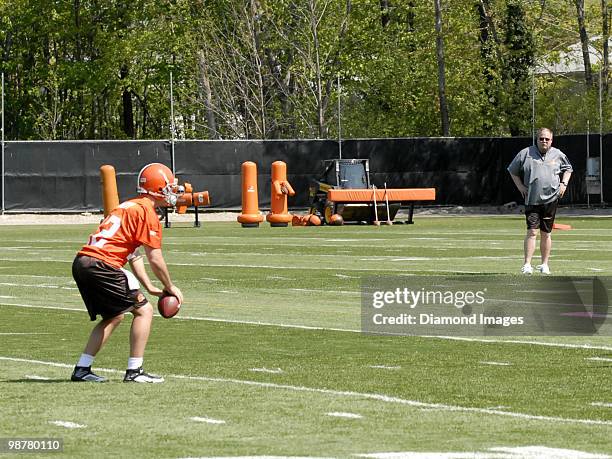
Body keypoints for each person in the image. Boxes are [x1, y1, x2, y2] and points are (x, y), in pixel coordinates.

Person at [71, 163, 184, 383]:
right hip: (103, 265)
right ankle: (135, 371)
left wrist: (150, 286)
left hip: (83, 262)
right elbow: (155, 258)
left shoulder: (128, 206)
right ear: (157, 188)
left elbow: (133, 254)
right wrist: (170, 286)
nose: (172, 192)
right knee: (144, 311)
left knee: (114, 315)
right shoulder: (146, 212)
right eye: (168, 187)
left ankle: (82, 369)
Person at [507, 128, 573, 275]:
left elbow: (568, 169)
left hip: (551, 199)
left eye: (547, 139)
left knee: (546, 233)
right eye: (541, 138)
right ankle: (527, 264)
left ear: (551, 140)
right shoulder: (525, 153)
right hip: (532, 199)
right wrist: (520, 187)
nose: (544, 141)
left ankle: (544, 264)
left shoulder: (558, 154)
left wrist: (564, 184)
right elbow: (512, 170)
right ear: (536, 140)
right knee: (531, 231)